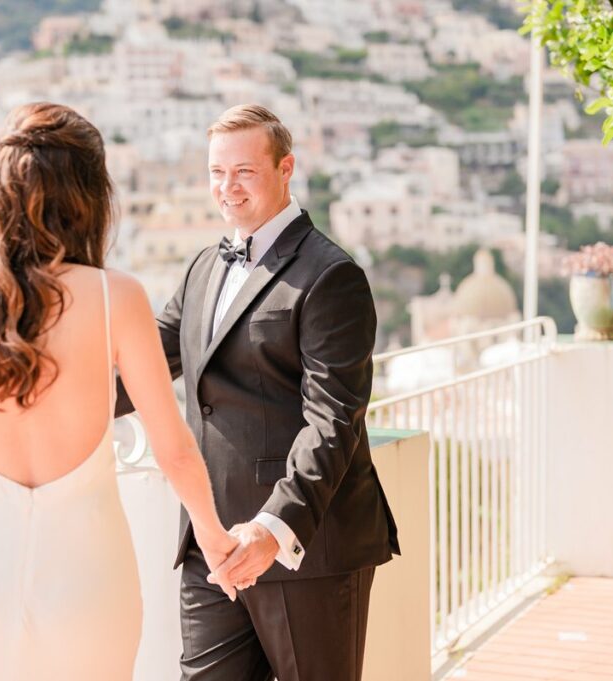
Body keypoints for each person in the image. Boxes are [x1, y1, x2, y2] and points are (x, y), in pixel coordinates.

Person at [0, 101, 238, 681]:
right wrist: (215, 538)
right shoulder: (113, 297)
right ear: (89, 200)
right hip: (87, 591)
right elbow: (173, 449)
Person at [115, 104, 400, 681]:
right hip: (211, 546)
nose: (228, 188)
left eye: (244, 171)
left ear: (285, 168)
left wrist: (274, 530)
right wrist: (49, 402)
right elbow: (147, 365)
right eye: (217, 172)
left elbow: (334, 421)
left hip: (305, 548)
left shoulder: (330, 275)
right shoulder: (202, 267)